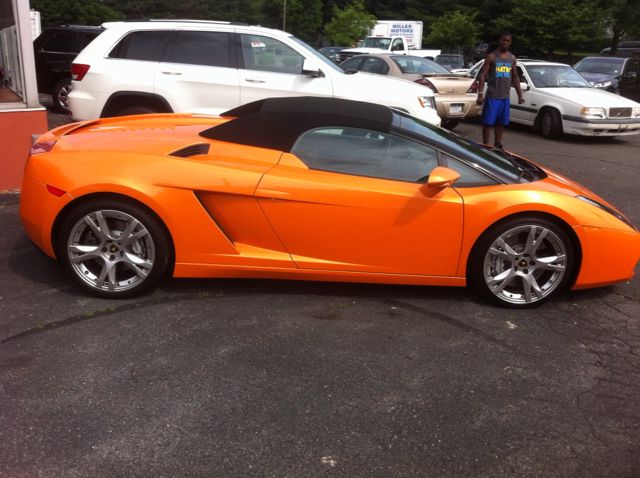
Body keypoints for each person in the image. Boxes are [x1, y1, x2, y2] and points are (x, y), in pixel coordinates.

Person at [476, 32, 524, 149]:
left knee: (501, 122)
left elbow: (515, 77)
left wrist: (520, 95)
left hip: (504, 97)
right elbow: (483, 76)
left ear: (510, 43)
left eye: (507, 41)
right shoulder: (492, 56)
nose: (505, 43)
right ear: (499, 41)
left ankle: (498, 143)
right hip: (493, 96)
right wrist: (480, 94)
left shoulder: (512, 58)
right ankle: (485, 144)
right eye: (503, 40)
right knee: (488, 122)